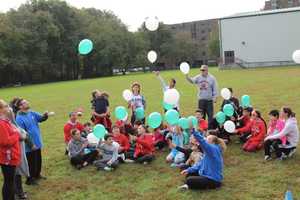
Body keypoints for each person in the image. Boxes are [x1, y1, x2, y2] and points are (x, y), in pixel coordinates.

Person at [16, 99, 48, 185]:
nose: (27, 103)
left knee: (38, 160)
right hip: (29, 146)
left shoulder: (31, 113)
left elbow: (41, 118)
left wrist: (45, 115)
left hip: (37, 142)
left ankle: (37, 175)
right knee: (31, 163)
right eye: (25, 102)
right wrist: (31, 144)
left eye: (27, 101)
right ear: (20, 106)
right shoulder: (19, 118)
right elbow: (22, 133)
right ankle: (30, 179)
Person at [7, 106, 30, 200]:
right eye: (12, 113)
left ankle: (19, 191)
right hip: (13, 154)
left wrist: (22, 134)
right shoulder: (8, 125)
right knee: (16, 174)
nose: (13, 114)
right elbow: (21, 136)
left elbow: (24, 134)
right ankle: (18, 193)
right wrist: (21, 135)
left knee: (18, 173)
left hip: (19, 151)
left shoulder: (13, 123)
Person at [0, 99, 21, 200]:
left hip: (11, 156)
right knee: (9, 182)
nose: (8, 108)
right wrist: (17, 134)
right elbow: (5, 142)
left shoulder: (5, 121)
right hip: (7, 158)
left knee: (10, 181)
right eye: (5, 106)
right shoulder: (1, 123)